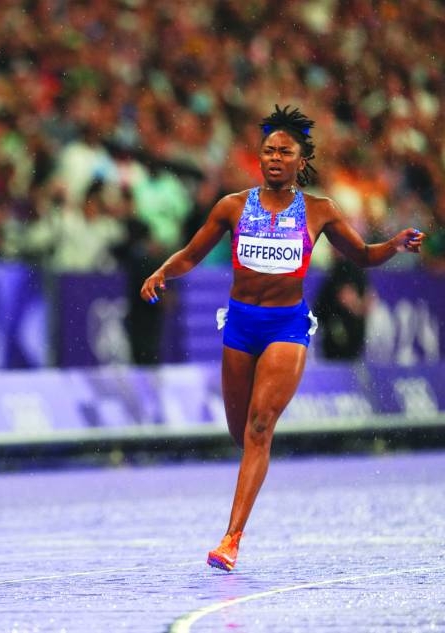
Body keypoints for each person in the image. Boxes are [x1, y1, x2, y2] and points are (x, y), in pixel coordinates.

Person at [140, 105, 423, 572]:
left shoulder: (320, 212)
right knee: (241, 431)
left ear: (300, 160)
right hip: (240, 324)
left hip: (286, 326)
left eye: (284, 152)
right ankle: (254, 466)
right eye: (268, 150)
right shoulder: (231, 206)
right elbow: (191, 255)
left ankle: (231, 539)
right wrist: (161, 272)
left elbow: (365, 257)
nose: (274, 158)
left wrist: (392, 245)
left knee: (258, 426)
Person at [312, 253, 373, 361]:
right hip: (336, 329)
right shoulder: (338, 270)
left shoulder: (348, 269)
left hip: (346, 332)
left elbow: (366, 299)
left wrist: (358, 306)